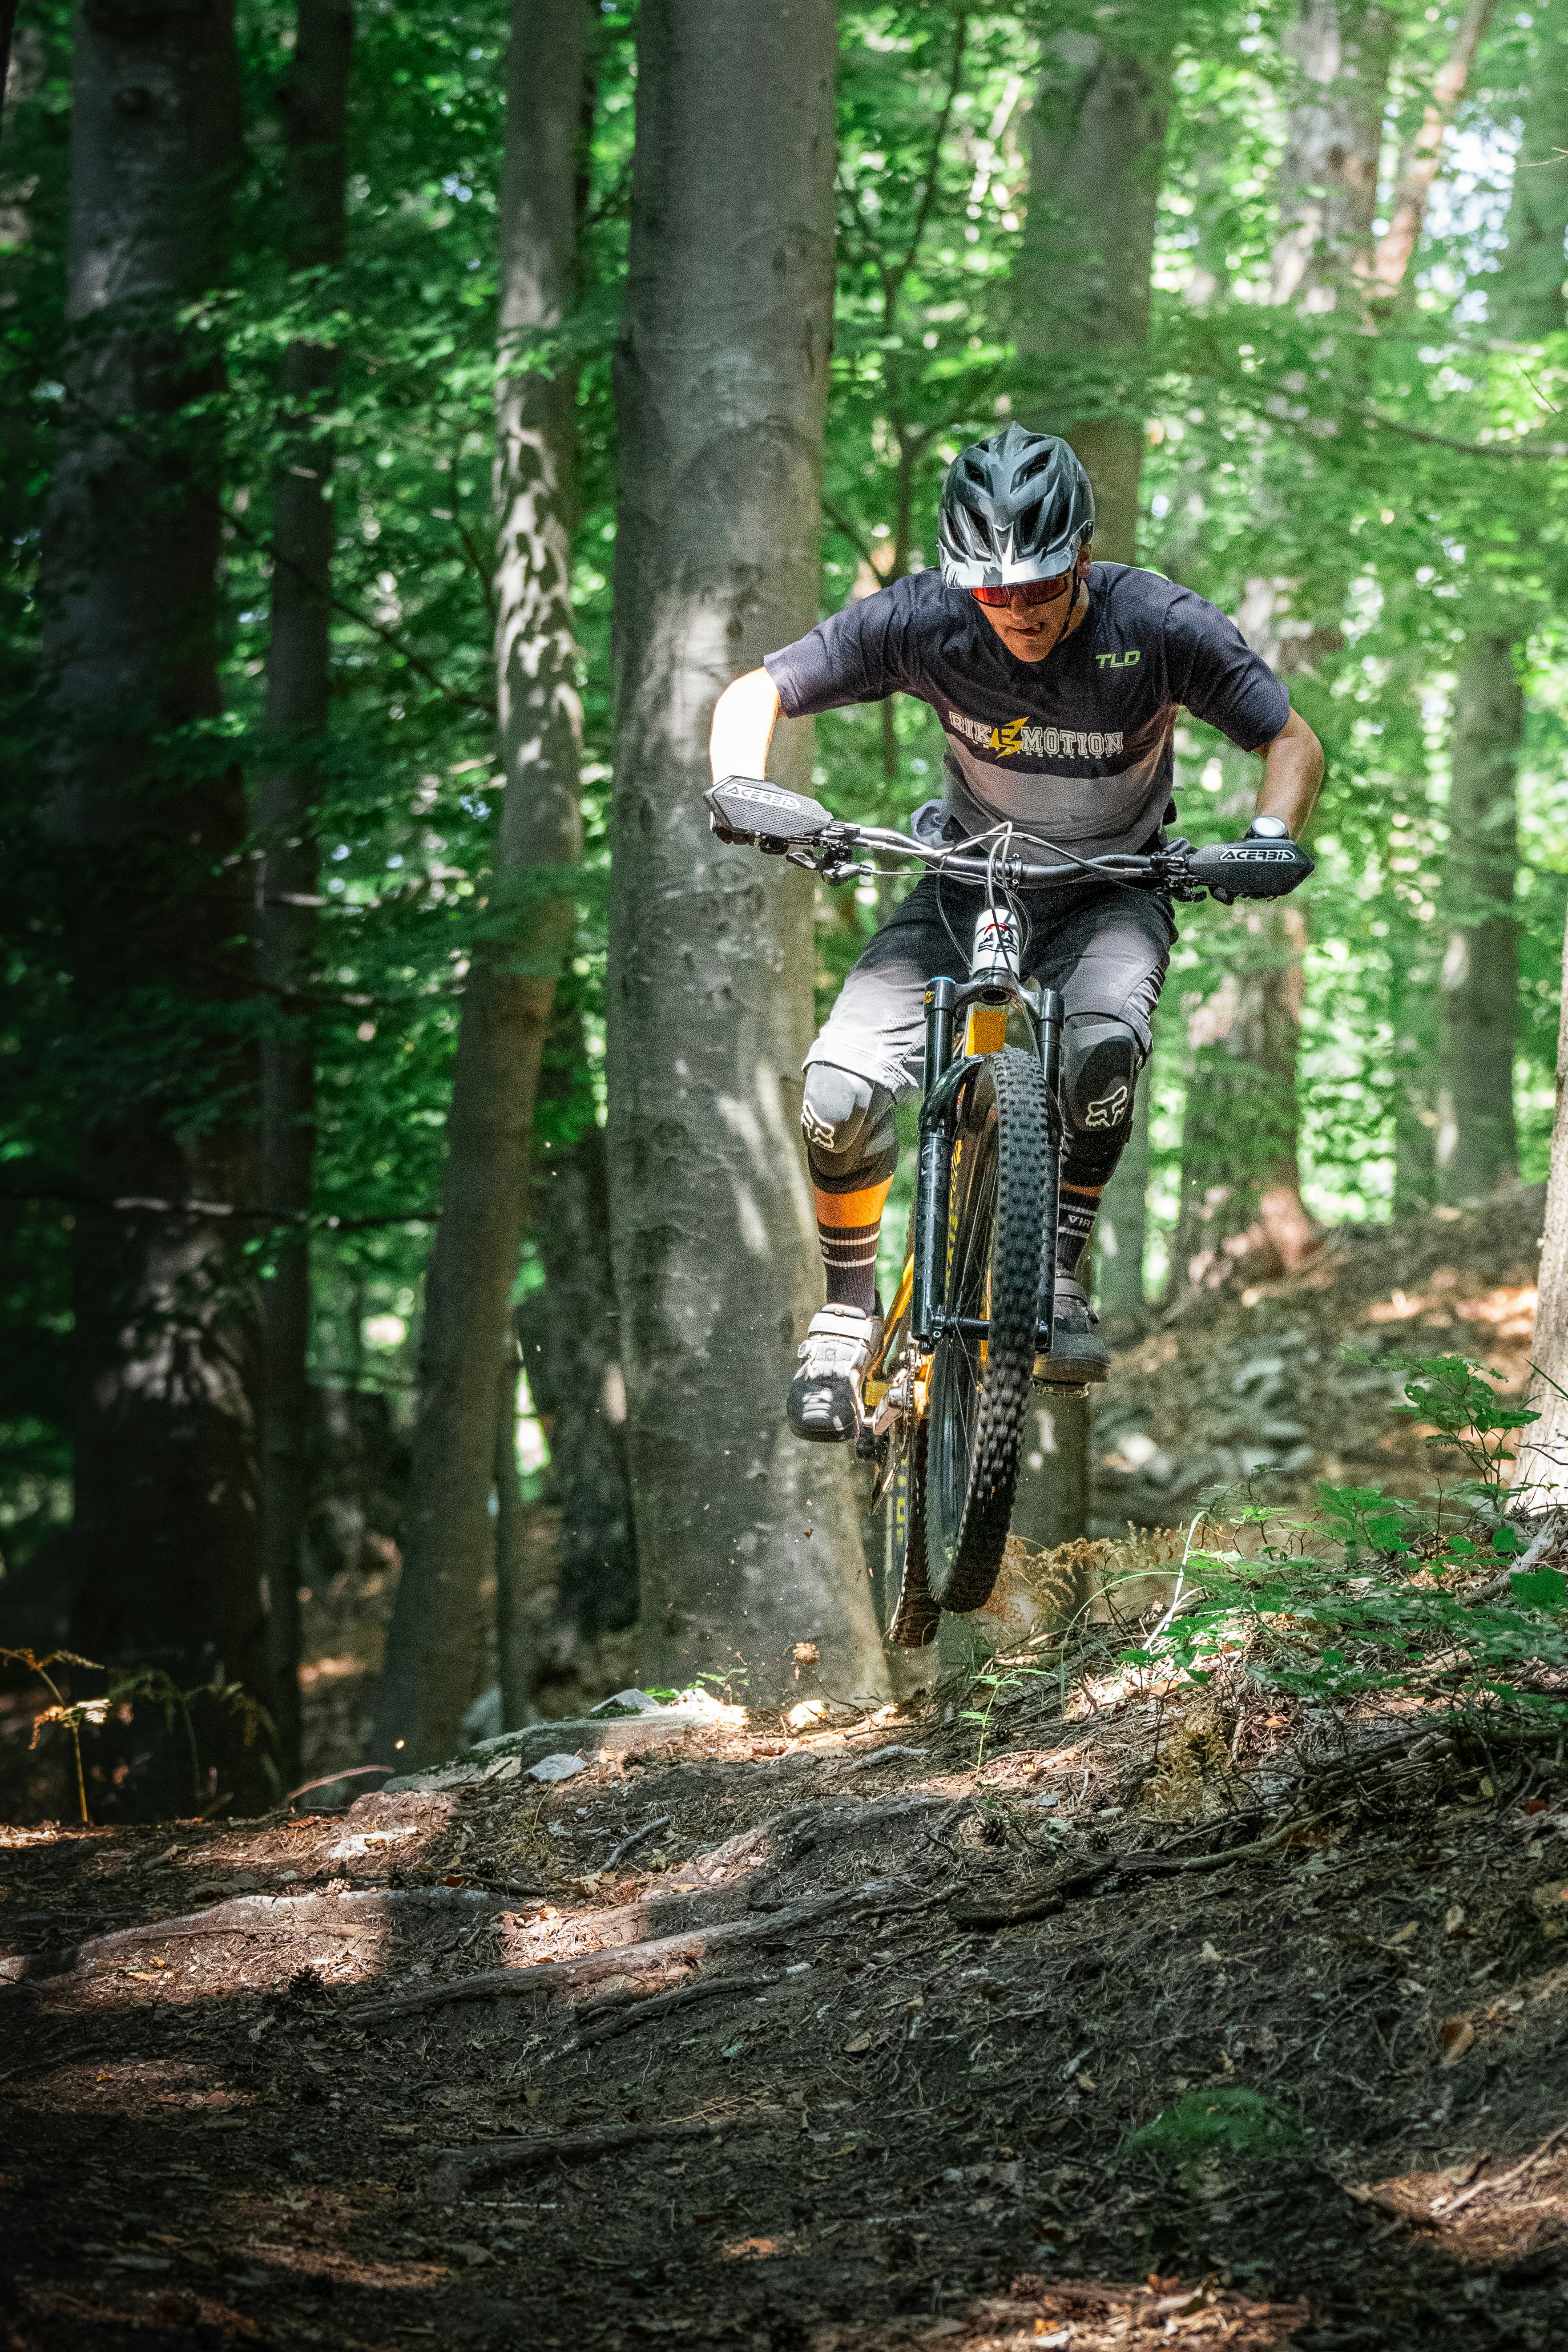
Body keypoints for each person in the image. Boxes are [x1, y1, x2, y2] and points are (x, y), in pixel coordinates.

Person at [708, 426, 1323, 1444]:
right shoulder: (926, 618)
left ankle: (1058, 1271)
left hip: (1112, 889)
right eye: (992, 594)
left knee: (1101, 1053)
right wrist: (743, 784)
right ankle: (844, 1312)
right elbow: (758, 689)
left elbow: (1287, 738)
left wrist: (1263, 837)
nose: (1018, 612)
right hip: (962, 882)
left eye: (1038, 586)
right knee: (836, 1090)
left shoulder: (1157, 623)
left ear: (1081, 554)